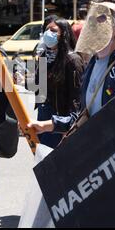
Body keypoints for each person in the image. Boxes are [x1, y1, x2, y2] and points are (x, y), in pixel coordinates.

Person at [28, 0, 115, 153]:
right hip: (94, 161)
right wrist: (48, 125)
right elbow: (85, 116)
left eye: (102, 18)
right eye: (91, 18)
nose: (92, 24)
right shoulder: (93, 63)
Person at [34, 18, 85, 148]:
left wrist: (69, 126)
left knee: (52, 159)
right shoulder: (44, 55)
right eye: (46, 30)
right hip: (43, 113)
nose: (48, 33)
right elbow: (38, 86)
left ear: (64, 34)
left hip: (60, 118)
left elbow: (76, 96)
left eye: (53, 30)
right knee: (42, 156)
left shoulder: (72, 60)